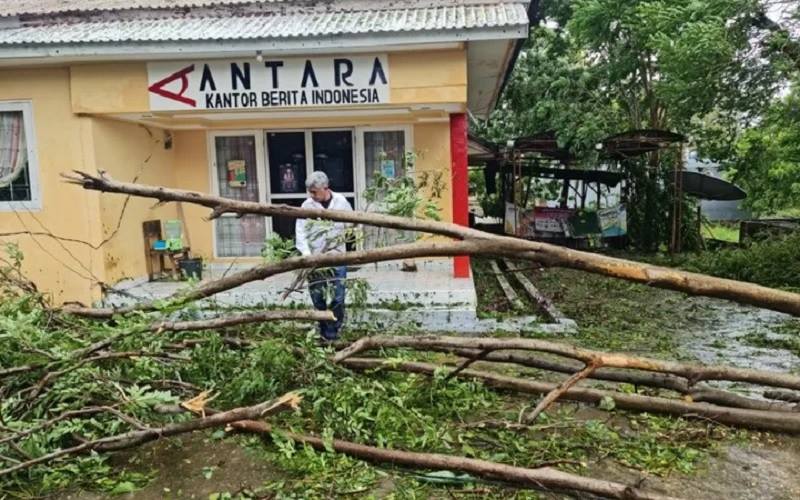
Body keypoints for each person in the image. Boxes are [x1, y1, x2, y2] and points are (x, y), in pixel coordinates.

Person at [295, 171, 353, 341]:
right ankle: (323, 330)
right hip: (315, 259)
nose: (311, 195)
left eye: (314, 192)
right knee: (318, 297)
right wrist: (307, 255)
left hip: (337, 256)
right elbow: (300, 232)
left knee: (338, 297)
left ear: (325, 188)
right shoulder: (307, 206)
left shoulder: (341, 202)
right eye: (309, 192)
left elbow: (350, 224)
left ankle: (333, 331)